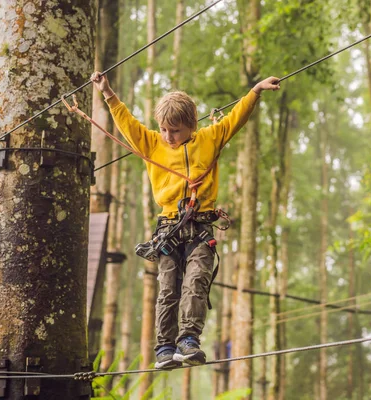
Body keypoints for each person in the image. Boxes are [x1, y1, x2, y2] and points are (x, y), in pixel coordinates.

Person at [91, 71, 280, 369]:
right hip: (169, 230)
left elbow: (235, 118)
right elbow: (127, 123)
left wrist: (255, 91)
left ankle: (188, 340)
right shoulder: (152, 143)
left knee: (196, 283)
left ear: (192, 126)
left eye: (175, 130)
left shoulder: (209, 138)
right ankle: (164, 347)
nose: (169, 136)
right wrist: (108, 93)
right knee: (168, 288)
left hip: (201, 228)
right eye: (165, 129)